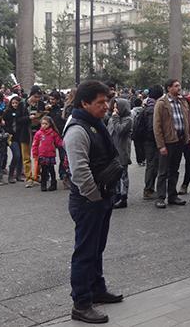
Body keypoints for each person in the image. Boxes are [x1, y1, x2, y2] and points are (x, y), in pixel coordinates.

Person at [64, 80, 124, 324]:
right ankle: (81, 303)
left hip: (102, 196)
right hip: (89, 199)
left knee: (97, 248)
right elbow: (79, 172)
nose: (106, 106)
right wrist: (96, 197)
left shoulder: (94, 122)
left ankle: (97, 288)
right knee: (85, 252)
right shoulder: (77, 129)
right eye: (100, 103)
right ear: (84, 103)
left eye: (107, 101)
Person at [153, 80, 190, 209]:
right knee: (163, 171)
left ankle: (172, 195)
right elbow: (157, 126)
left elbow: (188, 120)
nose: (179, 88)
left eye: (179, 86)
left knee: (174, 170)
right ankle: (160, 197)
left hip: (180, 140)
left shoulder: (182, 102)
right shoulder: (161, 104)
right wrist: (161, 145)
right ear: (169, 88)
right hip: (167, 142)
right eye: (176, 86)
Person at [107, 98, 133, 209]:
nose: (115, 109)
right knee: (114, 174)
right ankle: (116, 194)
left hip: (122, 150)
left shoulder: (128, 120)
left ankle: (123, 197)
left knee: (123, 174)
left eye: (117, 106)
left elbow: (119, 130)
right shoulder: (112, 118)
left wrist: (115, 118)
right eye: (114, 106)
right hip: (113, 150)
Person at [32, 116, 64, 191]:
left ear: (49, 124)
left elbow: (58, 142)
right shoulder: (38, 133)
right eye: (42, 124)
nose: (43, 125)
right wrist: (35, 153)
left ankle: (53, 184)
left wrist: (64, 145)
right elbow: (35, 144)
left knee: (51, 170)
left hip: (51, 155)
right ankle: (43, 185)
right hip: (42, 155)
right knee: (44, 170)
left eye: (45, 124)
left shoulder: (53, 133)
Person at [141, 85, 162, 200]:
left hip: (148, 140)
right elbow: (151, 128)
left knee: (152, 164)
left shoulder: (147, 105)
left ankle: (149, 188)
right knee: (152, 165)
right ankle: (148, 190)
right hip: (151, 141)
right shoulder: (153, 109)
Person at [2, 96, 24, 184]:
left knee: (21, 156)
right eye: (13, 103)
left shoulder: (22, 112)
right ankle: (11, 174)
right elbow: (4, 123)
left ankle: (18, 174)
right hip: (11, 136)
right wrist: (8, 131)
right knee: (16, 155)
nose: (15, 105)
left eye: (16, 103)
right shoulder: (7, 112)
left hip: (20, 135)